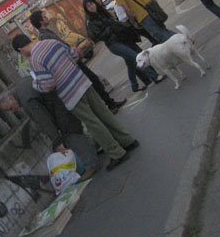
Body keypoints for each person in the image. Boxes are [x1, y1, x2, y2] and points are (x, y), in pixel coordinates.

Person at [11, 34, 139, 171]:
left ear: (20, 49)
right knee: (104, 114)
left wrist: (36, 84)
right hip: (83, 82)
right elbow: (74, 55)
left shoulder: (35, 60)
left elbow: (48, 84)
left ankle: (117, 153)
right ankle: (128, 140)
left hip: (71, 94)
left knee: (93, 124)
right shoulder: (51, 42)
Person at [0, 77, 99, 178]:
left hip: (60, 111)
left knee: (72, 136)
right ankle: (95, 147)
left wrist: (57, 142)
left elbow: (45, 122)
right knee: (77, 130)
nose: (13, 111)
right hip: (63, 101)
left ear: (11, 98)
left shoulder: (27, 101)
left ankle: (91, 164)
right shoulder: (22, 85)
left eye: (11, 108)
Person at [29, 10, 126, 113]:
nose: (47, 17)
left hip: (72, 59)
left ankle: (109, 103)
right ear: (40, 21)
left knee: (93, 81)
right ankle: (109, 105)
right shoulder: (44, 36)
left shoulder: (47, 33)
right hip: (71, 62)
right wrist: (72, 52)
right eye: (44, 17)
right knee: (92, 81)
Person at [82, 0, 162, 93]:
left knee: (130, 63)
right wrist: (109, 27)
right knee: (136, 57)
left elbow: (115, 23)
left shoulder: (102, 13)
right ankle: (154, 76)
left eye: (92, 4)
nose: (91, 7)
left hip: (122, 38)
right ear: (86, 9)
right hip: (113, 44)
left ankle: (134, 86)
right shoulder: (91, 22)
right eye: (88, 6)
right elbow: (97, 37)